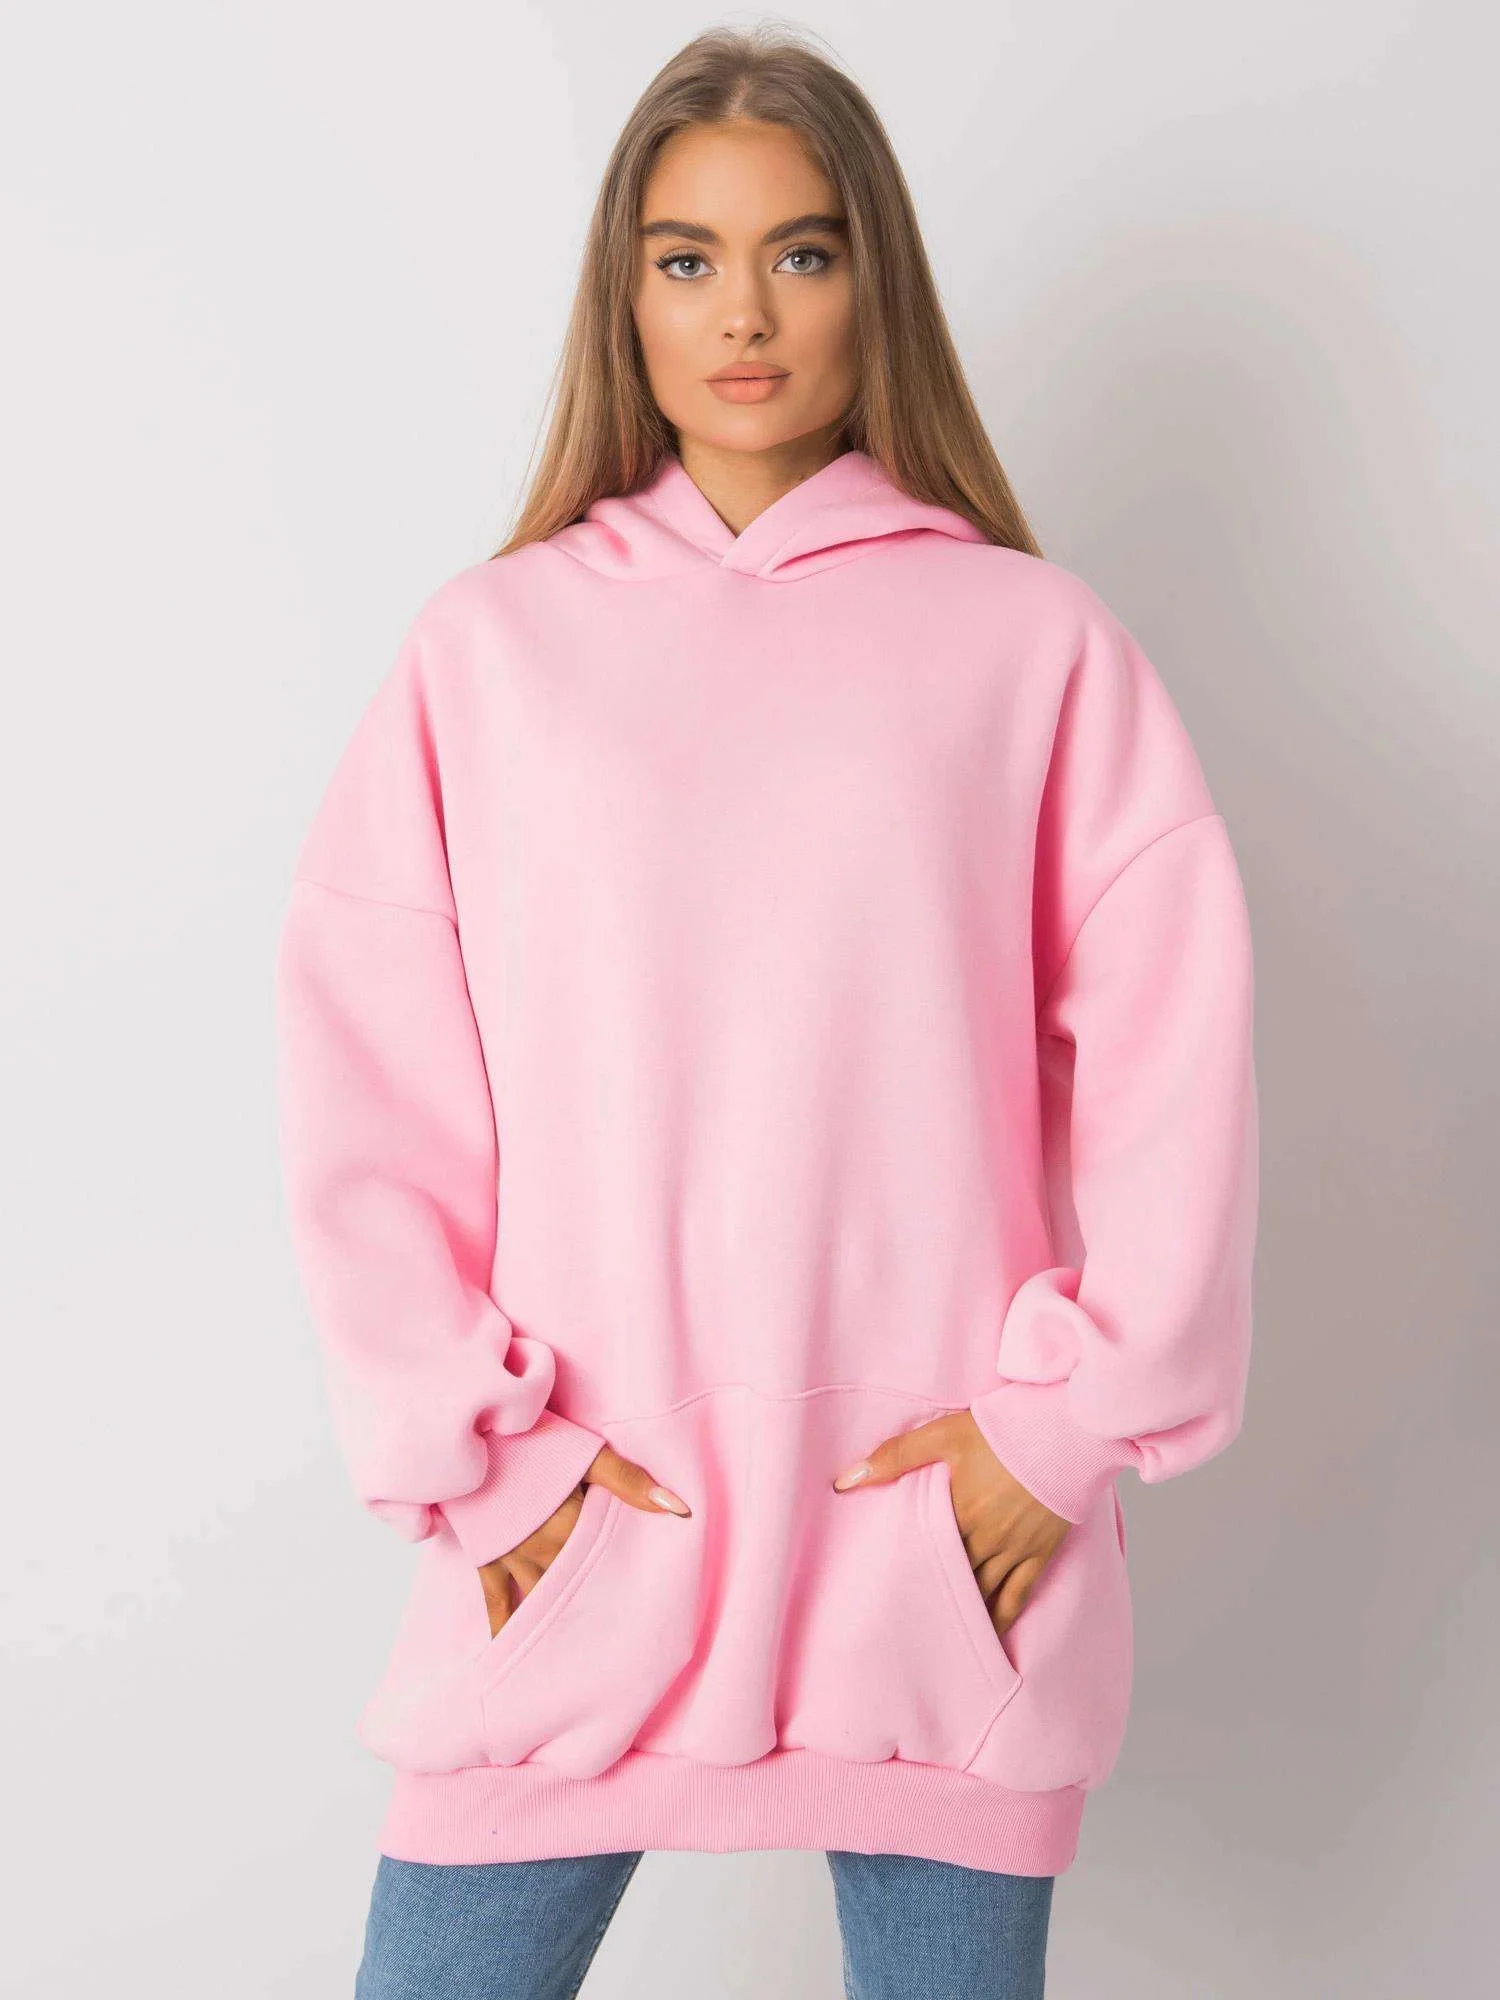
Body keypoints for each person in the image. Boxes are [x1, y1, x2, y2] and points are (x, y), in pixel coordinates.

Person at [273, 24, 1260, 2000]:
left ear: (872, 284)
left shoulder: (1031, 647)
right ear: (623, 292)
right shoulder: (491, 653)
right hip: (578, 1545)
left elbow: (1179, 1061)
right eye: (688, 257)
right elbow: (369, 1086)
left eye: (802, 253)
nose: (745, 313)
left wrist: (1059, 1432)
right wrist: (482, 1459)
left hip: (934, 1562)